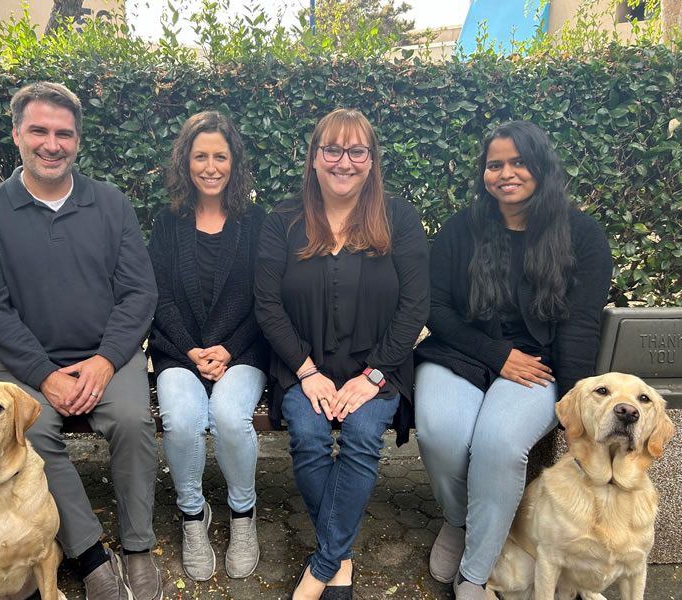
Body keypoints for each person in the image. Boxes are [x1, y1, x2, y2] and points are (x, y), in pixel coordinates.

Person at [0, 81, 162, 600]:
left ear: (77, 140)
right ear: (17, 134)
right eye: (39, 131)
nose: (52, 144)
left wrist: (104, 362)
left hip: (106, 358)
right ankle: (92, 555)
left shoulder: (111, 204)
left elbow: (139, 293)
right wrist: (45, 375)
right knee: (26, 433)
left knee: (134, 421)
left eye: (64, 134)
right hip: (23, 366)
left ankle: (138, 547)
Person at [413, 120, 613, 600]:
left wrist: (574, 402)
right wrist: (497, 354)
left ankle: (475, 574)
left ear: (541, 165)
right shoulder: (462, 229)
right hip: (461, 352)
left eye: (518, 162)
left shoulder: (582, 235)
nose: (506, 173)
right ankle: (459, 522)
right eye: (495, 164)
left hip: (538, 366)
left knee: (499, 443)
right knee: (441, 432)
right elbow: (433, 308)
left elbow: (582, 324)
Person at [255, 108, 430, 600]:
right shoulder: (283, 220)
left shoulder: (399, 218)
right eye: (332, 149)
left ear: (372, 161)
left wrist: (373, 375)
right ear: (314, 158)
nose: (344, 162)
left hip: (379, 369)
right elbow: (266, 305)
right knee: (309, 435)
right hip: (300, 368)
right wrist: (306, 372)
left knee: (359, 435)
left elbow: (415, 305)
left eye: (357, 151)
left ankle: (324, 564)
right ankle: (341, 558)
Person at [148, 111, 268, 581]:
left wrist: (229, 350)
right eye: (201, 156)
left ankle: (243, 514)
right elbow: (158, 295)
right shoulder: (168, 221)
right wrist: (192, 350)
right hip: (180, 350)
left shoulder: (255, 222)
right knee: (180, 421)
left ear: (234, 163)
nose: (211, 166)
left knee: (229, 418)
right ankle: (193, 515)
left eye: (221, 156)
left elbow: (266, 299)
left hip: (243, 350)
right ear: (186, 161)